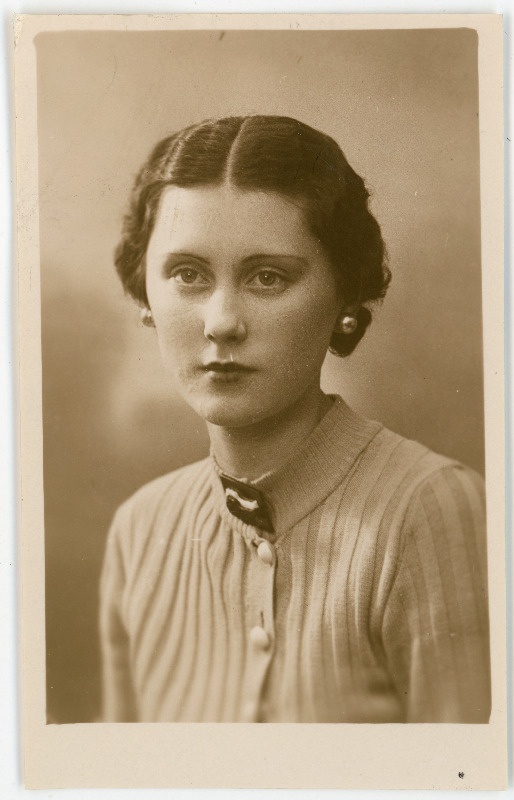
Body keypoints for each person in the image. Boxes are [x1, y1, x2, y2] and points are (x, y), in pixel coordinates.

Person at [99, 115, 490, 723]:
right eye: (188, 275)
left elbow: (476, 768)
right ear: (145, 296)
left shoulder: (429, 509)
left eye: (267, 277)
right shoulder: (141, 531)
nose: (221, 322)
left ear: (343, 297)